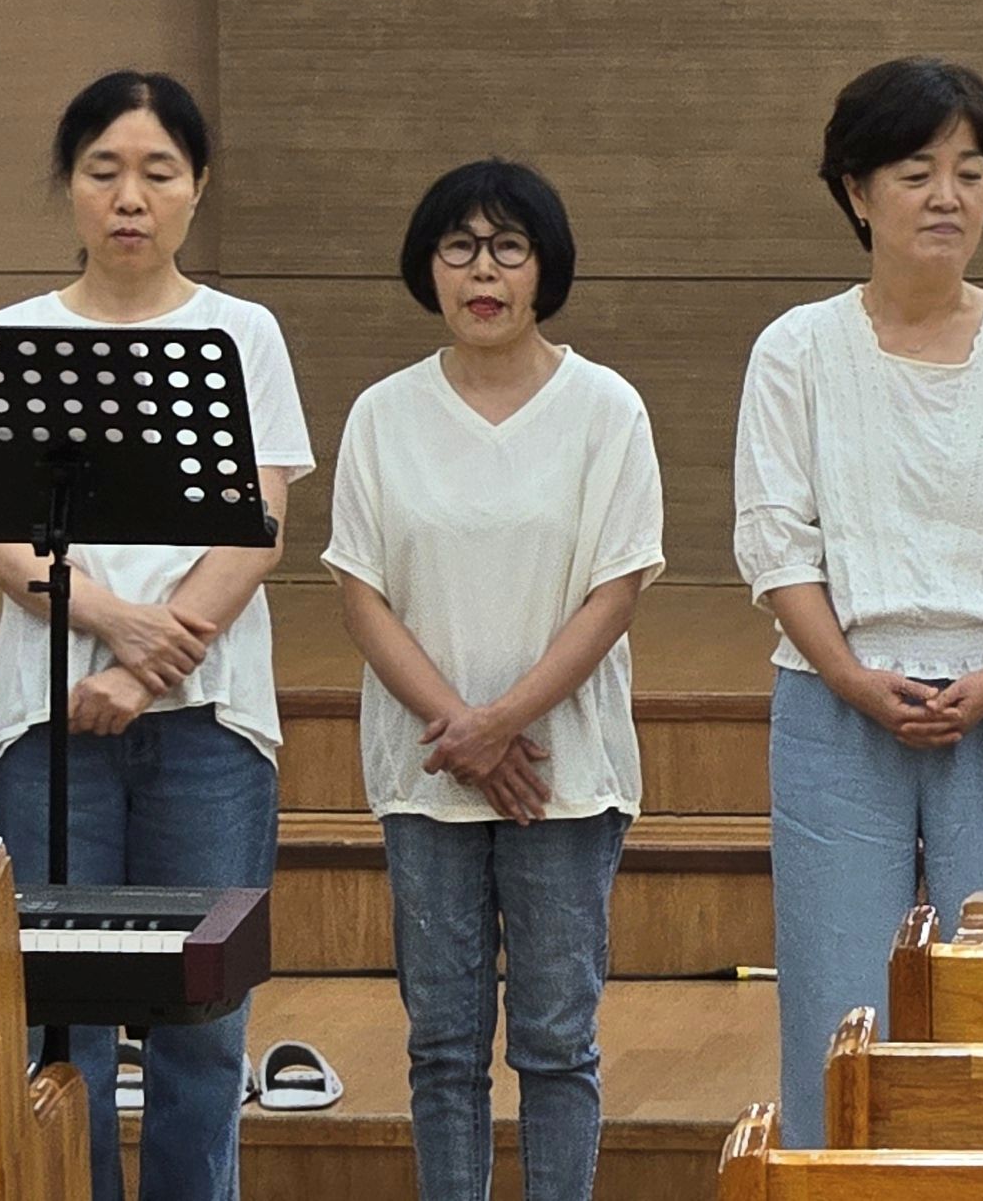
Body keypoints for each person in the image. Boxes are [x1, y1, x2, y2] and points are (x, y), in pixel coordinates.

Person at [734, 57, 983, 1147]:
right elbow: (775, 538)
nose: (948, 197)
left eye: (970, 173)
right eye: (916, 172)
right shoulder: (796, 347)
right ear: (856, 191)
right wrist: (850, 674)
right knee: (838, 993)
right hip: (835, 700)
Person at [0, 70, 311, 1201]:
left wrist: (145, 665)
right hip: (49, 722)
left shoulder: (242, 332)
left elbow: (260, 526)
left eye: (158, 172)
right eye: (103, 171)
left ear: (197, 186)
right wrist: (109, 619)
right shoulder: (13, 336)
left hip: (208, 719)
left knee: (203, 1022)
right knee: (54, 1022)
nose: (130, 197)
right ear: (68, 185)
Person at [327, 160, 663, 1201]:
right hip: (428, 769)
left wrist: (504, 721)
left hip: (563, 771)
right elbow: (361, 593)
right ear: (426, 267)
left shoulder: (605, 408)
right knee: (442, 1046)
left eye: (508, 248)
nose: (484, 271)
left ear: (543, 267)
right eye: (459, 247)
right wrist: (461, 730)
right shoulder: (382, 413)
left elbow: (615, 589)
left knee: (558, 1042)